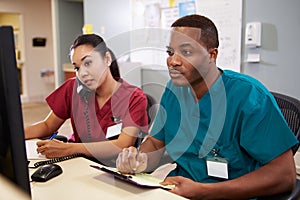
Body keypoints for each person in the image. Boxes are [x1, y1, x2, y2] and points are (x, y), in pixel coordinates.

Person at [116, 14, 298, 199]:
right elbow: (156, 142)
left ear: (212, 55)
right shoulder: (174, 90)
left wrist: (204, 192)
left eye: (186, 52)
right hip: (177, 192)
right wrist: (139, 160)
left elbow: (284, 176)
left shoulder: (248, 96)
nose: (173, 61)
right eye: (170, 52)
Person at [25, 34, 148, 164]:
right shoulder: (73, 88)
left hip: (113, 170)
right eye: (77, 68)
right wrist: (11, 133)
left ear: (106, 59)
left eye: (88, 63)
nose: (82, 73)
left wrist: (68, 149)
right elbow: (47, 126)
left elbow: (122, 145)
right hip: (78, 163)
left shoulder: (134, 98)